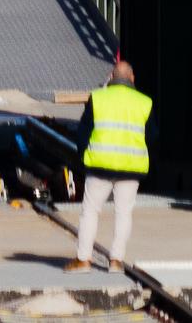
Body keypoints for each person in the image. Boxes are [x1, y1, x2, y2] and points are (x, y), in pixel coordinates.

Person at [65, 60, 152, 275]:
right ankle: (116, 261)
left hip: (100, 165)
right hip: (131, 166)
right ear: (132, 79)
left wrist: (82, 156)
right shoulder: (144, 102)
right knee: (124, 213)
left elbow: (83, 132)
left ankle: (83, 260)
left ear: (111, 78)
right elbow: (154, 135)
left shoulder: (98, 98)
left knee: (90, 212)